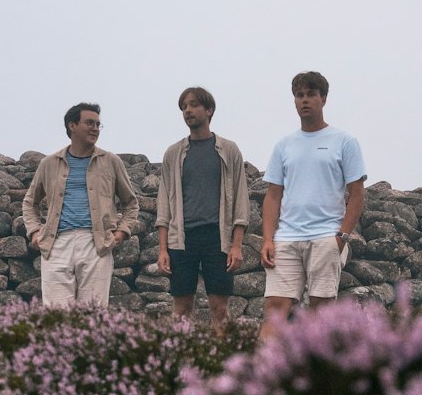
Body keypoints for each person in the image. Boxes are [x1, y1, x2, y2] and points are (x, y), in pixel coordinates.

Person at [260, 71, 366, 340]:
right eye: (299, 95)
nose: (304, 100)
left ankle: (316, 374)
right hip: (286, 237)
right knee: (275, 308)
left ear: (323, 99)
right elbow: (273, 195)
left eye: (310, 95)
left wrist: (341, 237)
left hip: (325, 237)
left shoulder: (344, 142)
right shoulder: (283, 145)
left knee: (321, 311)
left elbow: (357, 194)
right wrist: (267, 239)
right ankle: (261, 374)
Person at [22, 102, 139, 307]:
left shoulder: (111, 161)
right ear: (72, 125)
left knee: (93, 313)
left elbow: (131, 202)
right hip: (56, 243)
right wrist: (33, 231)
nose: (95, 128)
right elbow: (30, 202)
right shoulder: (49, 163)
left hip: (96, 244)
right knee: (56, 314)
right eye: (89, 123)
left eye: (98, 124)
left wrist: (122, 232)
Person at [156, 86, 250, 334]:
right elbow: (164, 204)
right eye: (184, 107)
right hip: (182, 239)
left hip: (217, 237)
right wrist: (163, 249)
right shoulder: (173, 154)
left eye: (194, 105)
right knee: (181, 308)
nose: (188, 110)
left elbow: (240, 199)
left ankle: (222, 364)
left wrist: (237, 245)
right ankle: (178, 363)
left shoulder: (228, 150)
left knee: (219, 308)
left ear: (209, 110)